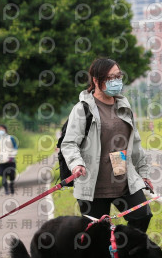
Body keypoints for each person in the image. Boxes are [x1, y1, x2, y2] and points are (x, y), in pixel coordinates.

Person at [61, 58, 154, 234]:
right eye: (110, 78)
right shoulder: (82, 109)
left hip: (123, 181)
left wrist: (144, 173)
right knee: (97, 234)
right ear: (96, 80)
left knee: (142, 215)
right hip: (93, 185)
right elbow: (69, 143)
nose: (116, 81)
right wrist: (76, 164)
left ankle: (123, 248)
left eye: (118, 76)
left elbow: (134, 143)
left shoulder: (123, 106)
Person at [0, 124, 18, 195]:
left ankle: (11, 186)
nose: (1, 131)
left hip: (10, 160)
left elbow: (15, 148)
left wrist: (12, 156)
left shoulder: (10, 138)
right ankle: (6, 189)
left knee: (11, 175)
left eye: (2, 129)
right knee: (3, 175)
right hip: (1, 161)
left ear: (5, 130)